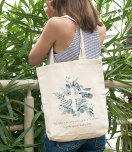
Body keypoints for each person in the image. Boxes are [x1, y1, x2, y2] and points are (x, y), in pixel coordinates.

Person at [29, 0, 106, 151]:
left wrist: (51, 18)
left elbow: (33, 59)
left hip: (64, 125)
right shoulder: (100, 28)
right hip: (94, 126)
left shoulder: (56, 24)